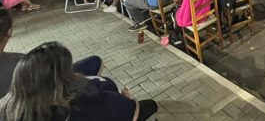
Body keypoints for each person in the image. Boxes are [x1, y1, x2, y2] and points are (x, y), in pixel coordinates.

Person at [0, 41, 158, 121]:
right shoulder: (80, 104)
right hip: (108, 106)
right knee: (150, 105)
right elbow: (132, 110)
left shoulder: (10, 109)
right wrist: (129, 99)